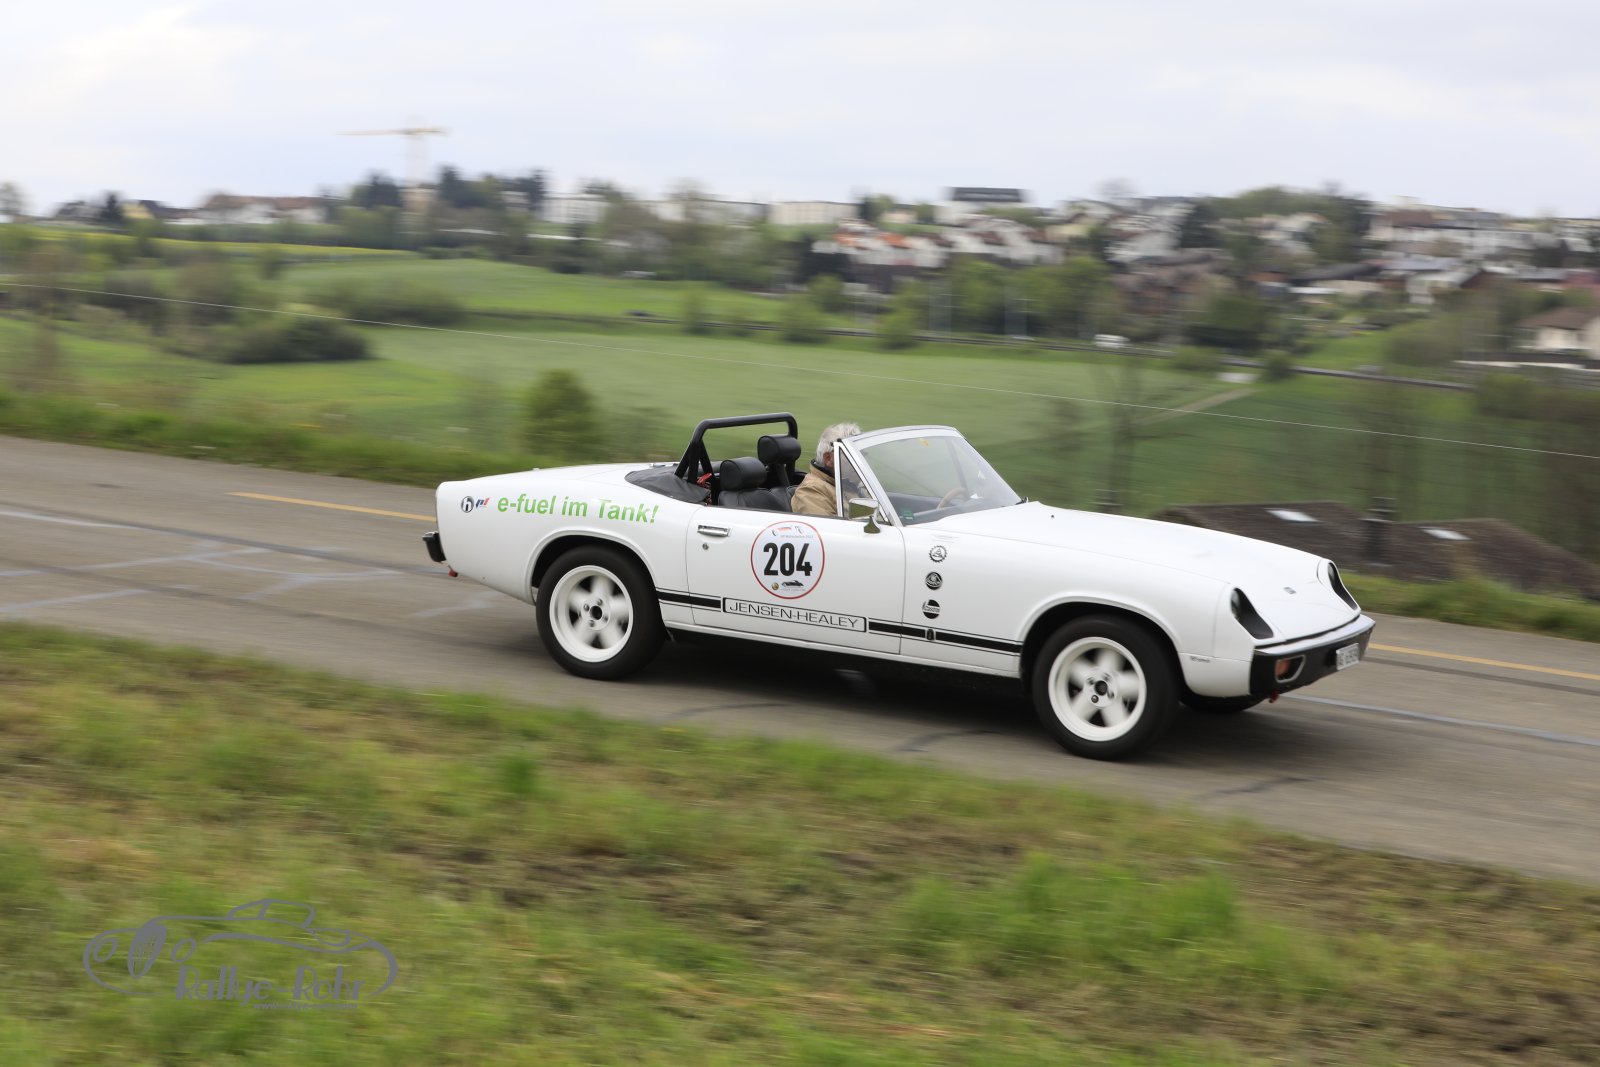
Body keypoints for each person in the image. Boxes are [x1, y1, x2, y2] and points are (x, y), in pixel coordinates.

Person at [791, 421, 861, 517]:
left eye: (862, 454)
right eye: (852, 456)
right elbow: (825, 526)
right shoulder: (811, 491)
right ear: (829, 459)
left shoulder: (852, 483)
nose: (860, 461)